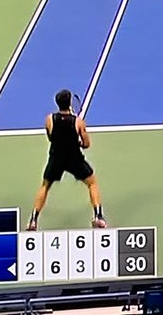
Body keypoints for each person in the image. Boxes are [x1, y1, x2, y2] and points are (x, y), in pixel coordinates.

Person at [26, 89, 106, 231]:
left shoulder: (49, 119)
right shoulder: (78, 122)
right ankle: (98, 217)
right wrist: (78, 142)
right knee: (92, 183)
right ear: (69, 103)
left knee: (45, 186)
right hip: (74, 159)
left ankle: (33, 220)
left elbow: (51, 138)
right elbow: (87, 144)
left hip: (56, 158)